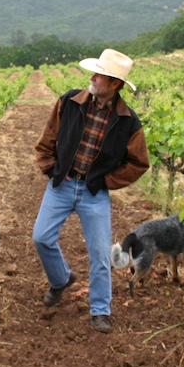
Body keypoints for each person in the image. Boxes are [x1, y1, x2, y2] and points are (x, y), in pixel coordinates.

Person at [32, 48, 150, 333]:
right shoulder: (69, 102)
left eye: (101, 75)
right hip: (61, 185)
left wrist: (106, 182)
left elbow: (139, 162)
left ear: (115, 84)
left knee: (99, 254)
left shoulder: (128, 121)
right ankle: (61, 279)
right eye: (95, 73)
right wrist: (51, 169)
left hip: (94, 193)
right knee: (41, 238)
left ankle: (100, 310)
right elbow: (47, 139)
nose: (93, 78)